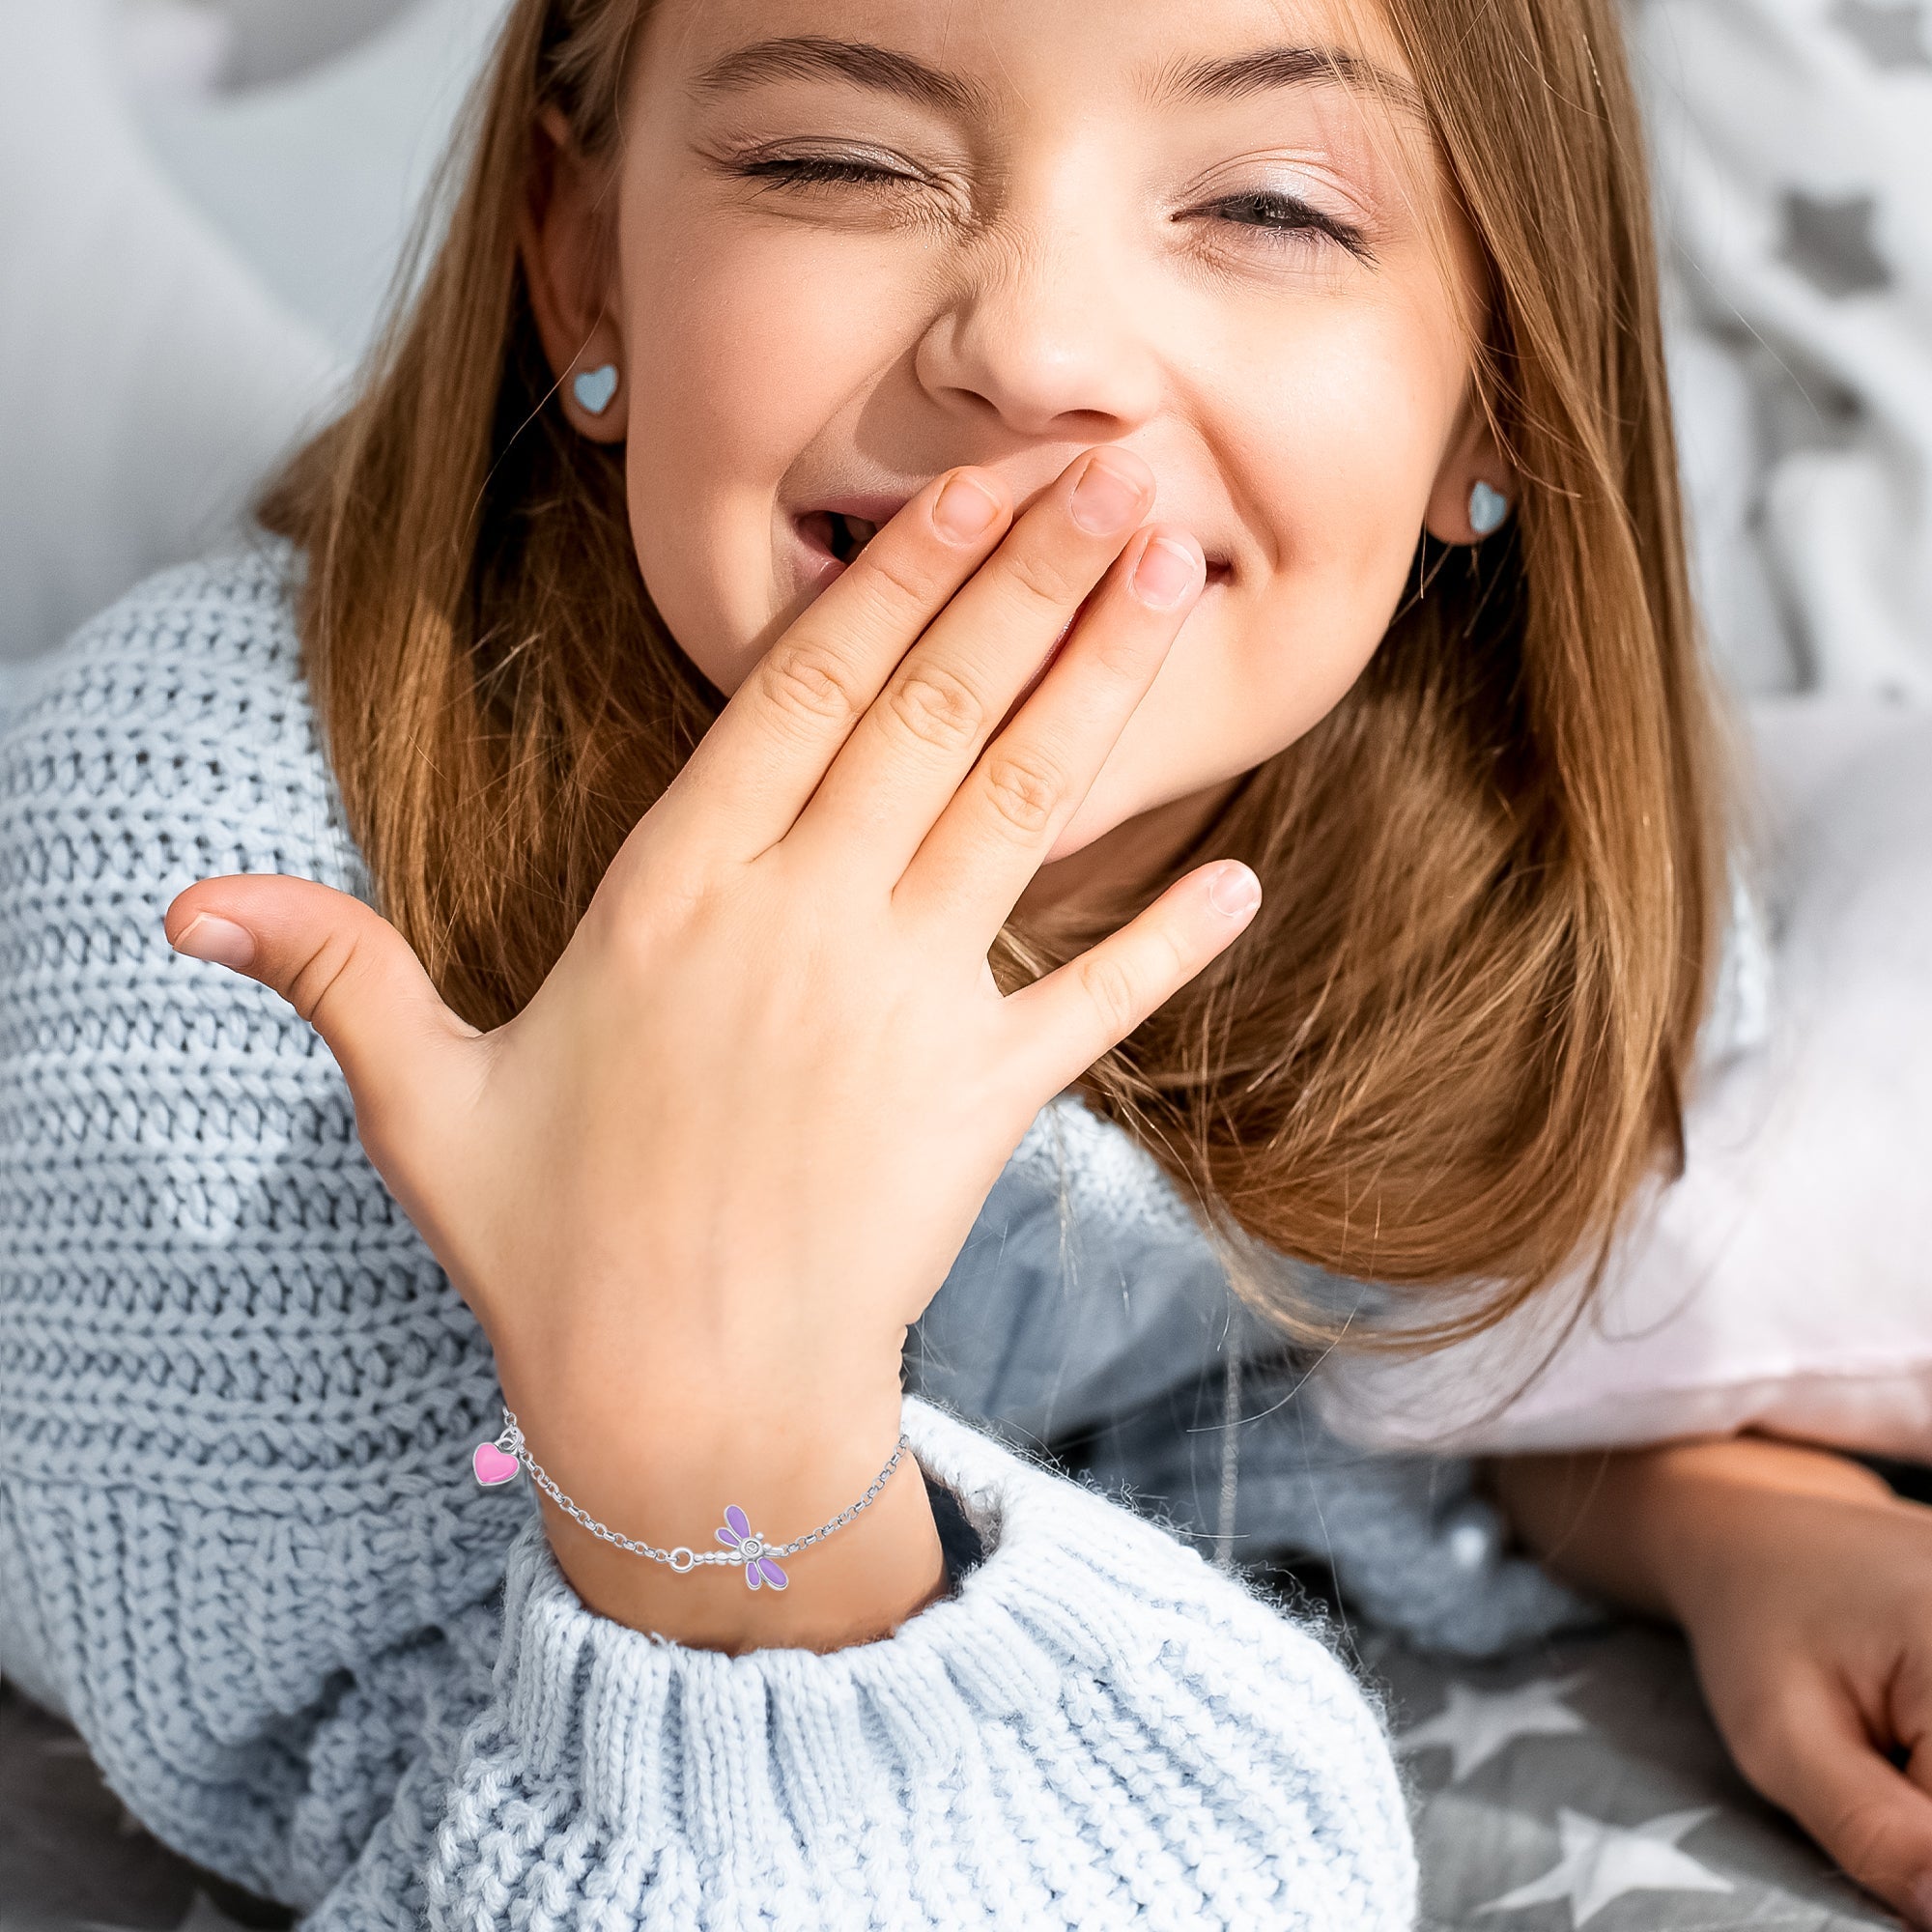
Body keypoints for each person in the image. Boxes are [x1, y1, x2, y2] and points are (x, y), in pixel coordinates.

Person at [4, 0, 1929, 1923]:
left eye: (1265, 203)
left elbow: (1255, 1393)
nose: (1035, 349)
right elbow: (430, 1843)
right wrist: (710, 1472)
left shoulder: (1499, 878)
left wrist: (1725, 1514)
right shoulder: (206, 920)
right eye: (835, 164)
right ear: (583, 261)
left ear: (1498, 383)